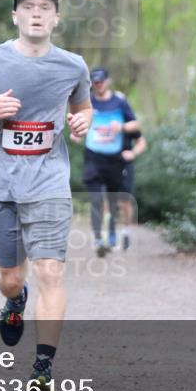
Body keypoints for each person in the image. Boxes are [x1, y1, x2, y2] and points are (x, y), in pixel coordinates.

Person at [0, 0, 92, 391]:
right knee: (12, 278)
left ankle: (43, 368)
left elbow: (82, 107)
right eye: (28, 7)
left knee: (51, 271)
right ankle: (15, 301)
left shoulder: (72, 65)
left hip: (48, 182)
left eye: (45, 8)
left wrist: (84, 121)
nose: (36, 14)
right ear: (15, 16)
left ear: (55, 19)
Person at [70, 67, 140, 256]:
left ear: (107, 81)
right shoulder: (88, 102)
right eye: (95, 82)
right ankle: (98, 239)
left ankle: (111, 234)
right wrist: (77, 133)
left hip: (115, 159)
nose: (98, 85)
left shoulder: (119, 101)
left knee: (113, 199)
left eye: (101, 81)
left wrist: (122, 127)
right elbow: (78, 123)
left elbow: (136, 125)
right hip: (93, 157)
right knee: (96, 200)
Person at [115, 90, 147, 251]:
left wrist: (132, 153)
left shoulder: (128, 124)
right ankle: (108, 235)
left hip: (124, 165)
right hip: (104, 164)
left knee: (124, 201)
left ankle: (126, 232)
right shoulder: (104, 120)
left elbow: (142, 143)